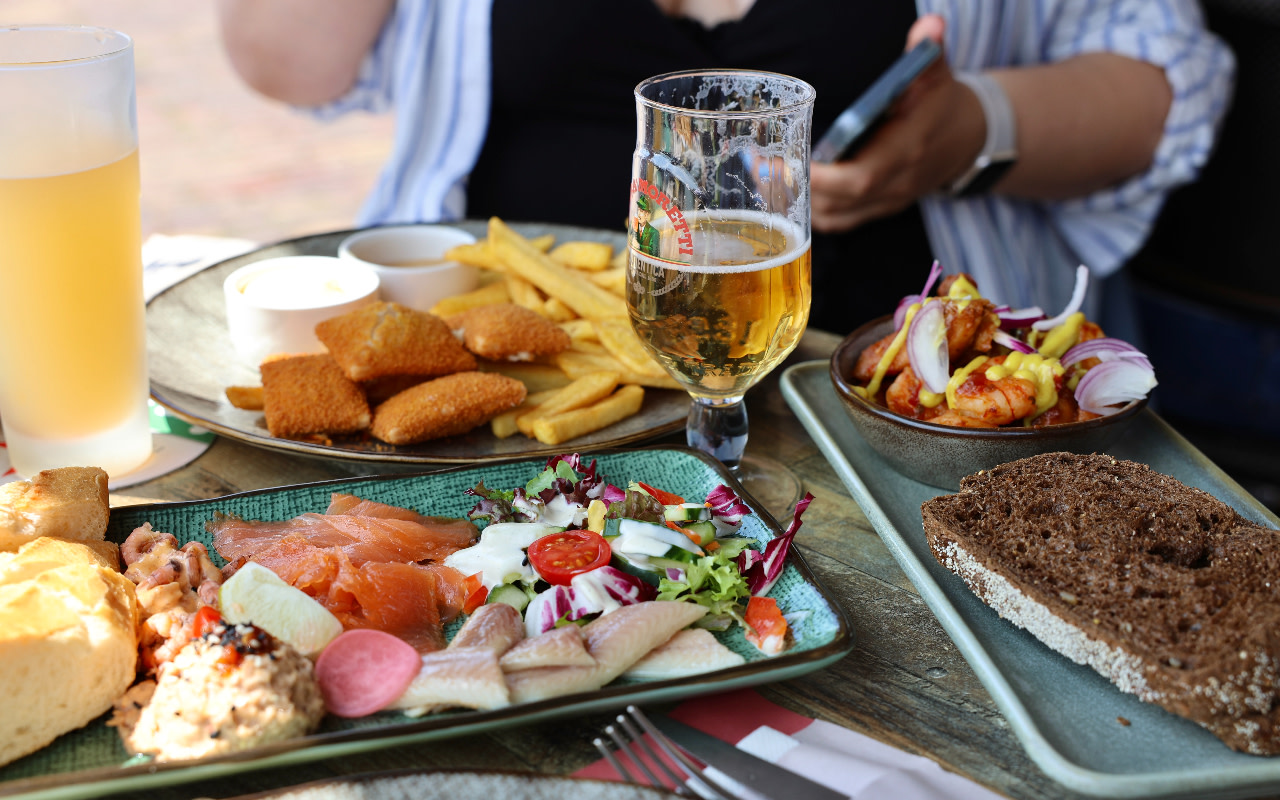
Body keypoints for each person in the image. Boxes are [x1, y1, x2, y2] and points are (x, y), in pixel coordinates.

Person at [216, 0, 1233, 333]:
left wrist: (968, 132)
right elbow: (284, 58)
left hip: (884, 406)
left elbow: (1165, 85)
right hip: (497, 390)